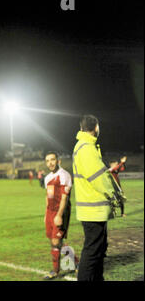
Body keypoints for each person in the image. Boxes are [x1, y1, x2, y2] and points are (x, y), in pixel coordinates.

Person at [72, 115, 116, 281]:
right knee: (92, 252)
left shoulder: (83, 146)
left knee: (98, 249)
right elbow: (98, 178)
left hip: (92, 209)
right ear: (96, 128)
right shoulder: (86, 148)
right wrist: (113, 194)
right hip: (93, 209)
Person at [42, 151, 78, 279]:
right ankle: (76, 262)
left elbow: (65, 198)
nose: (50, 163)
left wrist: (59, 215)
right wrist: (47, 214)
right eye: (47, 161)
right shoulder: (47, 178)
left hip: (61, 212)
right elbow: (48, 196)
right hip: (50, 212)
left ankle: (55, 271)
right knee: (54, 242)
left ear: (58, 161)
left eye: (52, 159)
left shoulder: (64, 175)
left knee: (56, 240)